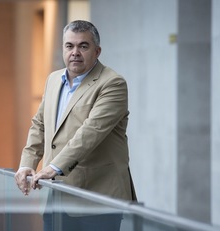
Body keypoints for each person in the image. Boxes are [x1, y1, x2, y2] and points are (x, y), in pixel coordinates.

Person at [15, 20, 137, 231]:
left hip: (97, 198)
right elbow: (39, 124)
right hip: (58, 195)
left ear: (97, 51)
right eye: (69, 46)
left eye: (83, 46)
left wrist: (52, 167)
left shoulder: (113, 83)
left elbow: (91, 132)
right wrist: (28, 162)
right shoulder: (54, 80)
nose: (75, 52)